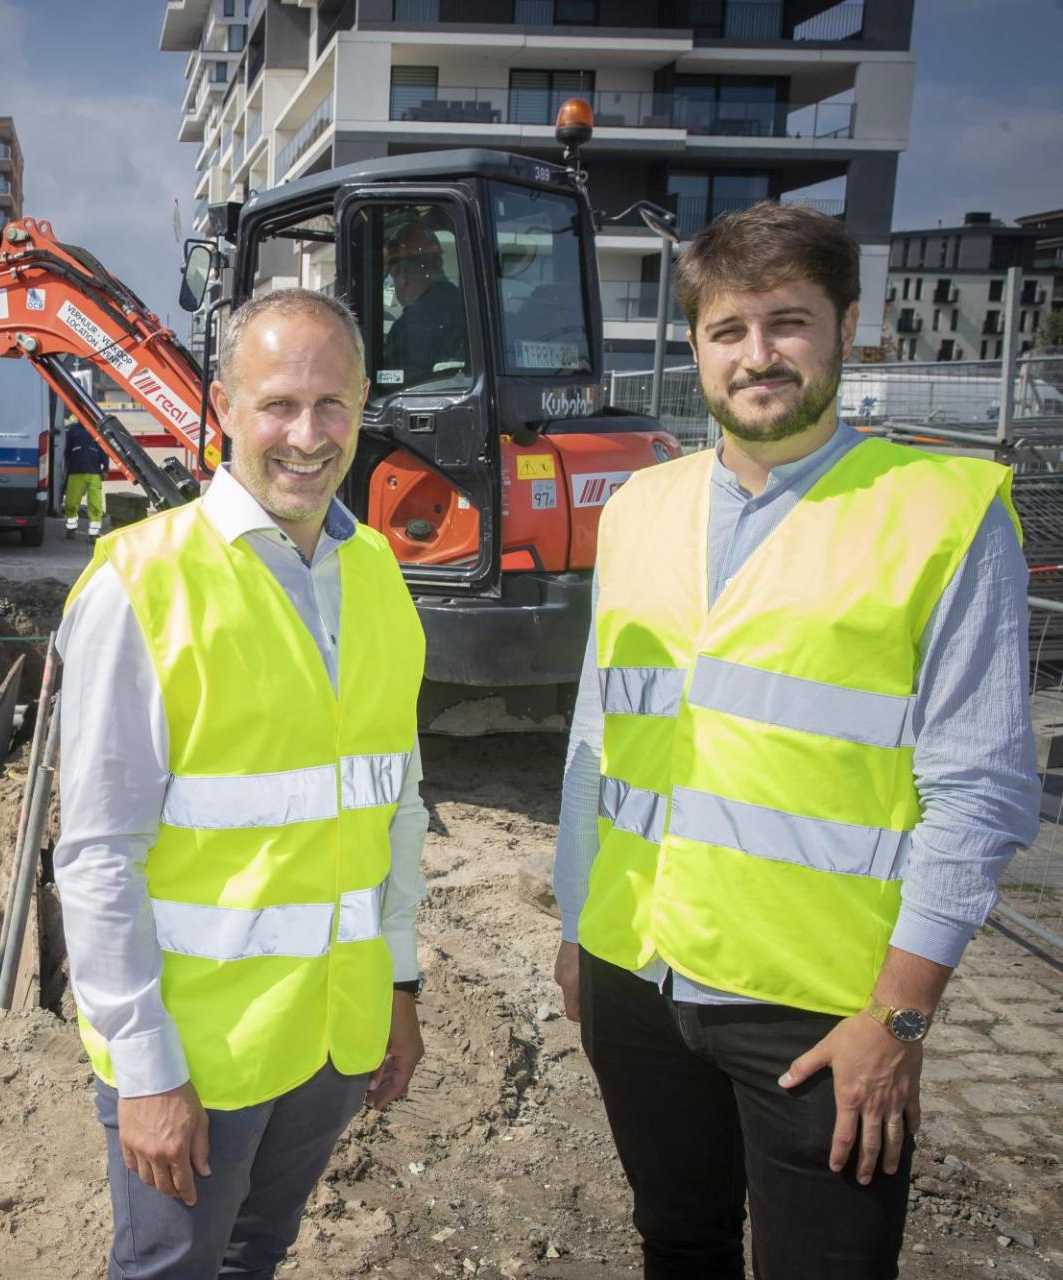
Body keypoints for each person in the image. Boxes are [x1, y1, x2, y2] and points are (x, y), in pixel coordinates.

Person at [550, 202, 1039, 1279]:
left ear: (847, 328)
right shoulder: (639, 506)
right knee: (679, 1241)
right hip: (636, 972)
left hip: (821, 1010)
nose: (758, 355)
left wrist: (898, 1019)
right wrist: (577, 929)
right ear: (695, 348)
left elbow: (982, 791)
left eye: (789, 323)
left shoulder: (940, 514)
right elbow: (597, 737)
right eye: (729, 331)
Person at [55, 287, 430, 1278]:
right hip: (198, 1058)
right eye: (278, 404)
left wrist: (396, 979)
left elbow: (394, 806)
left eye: (332, 404)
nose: (306, 435)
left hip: (331, 1041)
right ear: (223, 406)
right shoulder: (143, 583)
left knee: (258, 1254)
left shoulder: (383, 576)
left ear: (362, 406)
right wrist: (144, 1070)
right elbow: (96, 856)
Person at [381, 217, 465, 387]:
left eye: (392, 277)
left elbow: (393, 389)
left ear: (401, 274)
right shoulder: (470, 310)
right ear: (439, 263)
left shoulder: (405, 329)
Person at [64, 413, 107, 538]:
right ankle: (71, 529)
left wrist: (106, 469)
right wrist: (66, 467)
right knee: (71, 503)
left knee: (95, 505)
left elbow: (104, 451)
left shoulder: (98, 430)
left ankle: (93, 534)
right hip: (75, 471)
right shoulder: (73, 430)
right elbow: (67, 452)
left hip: (94, 472)